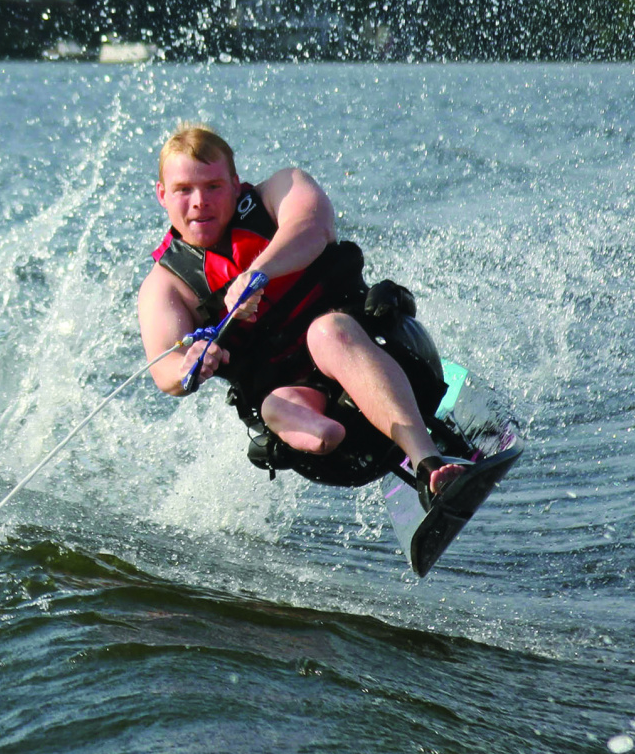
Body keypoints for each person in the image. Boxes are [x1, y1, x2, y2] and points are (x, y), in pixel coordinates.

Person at [137, 123, 465, 505]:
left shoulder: (280, 189)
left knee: (326, 333)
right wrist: (191, 364)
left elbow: (313, 225)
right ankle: (329, 433)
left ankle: (428, 465)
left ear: (235, 182)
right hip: (334, 455)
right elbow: (166, 370)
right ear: (162, 194)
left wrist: (259, 273)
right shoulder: (165, 286)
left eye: (213, 186)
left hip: (400, 364)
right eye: (183, 190)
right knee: (274, 405)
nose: (199, 201)